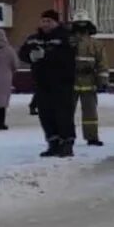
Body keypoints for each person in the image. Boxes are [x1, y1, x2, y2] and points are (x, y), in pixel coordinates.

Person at [20, 10, 76, 157]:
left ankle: (66, 143)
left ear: (56, 22)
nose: (45, 24)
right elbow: (22, 52)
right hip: (42, 83)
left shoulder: (65, 37)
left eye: (49, 21)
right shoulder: (34, 39)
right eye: (43, 21)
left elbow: (68, 57)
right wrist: (30, 56)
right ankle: (53, 143)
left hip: (62, 83)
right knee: (46, 115)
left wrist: (47, 55)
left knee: (63, 114)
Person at [71, 14, 108, 146]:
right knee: (66, 112)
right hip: (70, 81)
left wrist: (103, 81)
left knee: (90, 112)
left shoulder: (96, 44)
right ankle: (66, 137)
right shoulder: (67, 42)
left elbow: (102, 63)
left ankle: (92, 137)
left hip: (89, 81)